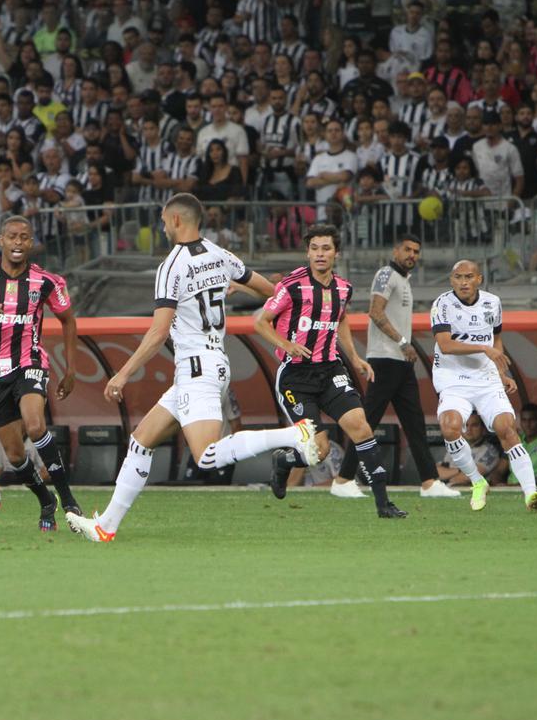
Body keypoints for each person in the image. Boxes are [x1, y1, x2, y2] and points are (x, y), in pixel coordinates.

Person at [66, 194, 320, 543]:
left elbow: (158, 332)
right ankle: (106, 525)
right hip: (210, 364)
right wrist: (234, 286)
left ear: (176, 220)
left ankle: (293, 435)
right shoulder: (221, 255)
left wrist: (122, 374)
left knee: (206, 456)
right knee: (140, 441)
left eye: (163, 221)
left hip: (196, 368)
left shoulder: (171, 266)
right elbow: (271, 291)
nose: (162, 227)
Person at [255, 223, 407, 519]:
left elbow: (341, 319)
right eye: (314, 249)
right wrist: (287, 345)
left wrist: (355, 357)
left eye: (326, 248)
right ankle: (284, 461)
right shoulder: (292, 285)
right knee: (319, 450)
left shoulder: (343, 288)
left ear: (336, 253)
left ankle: (383, 505)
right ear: (307, 253)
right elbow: (261, 322)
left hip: (330, 371)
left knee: (361, 427)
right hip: (296, 377)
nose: (320, 254)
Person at [0, 215, 81, 533]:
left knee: (35, 425)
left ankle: (68, 501)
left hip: (29, 362)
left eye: (24, 237)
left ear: (32, 242)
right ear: (1, 240)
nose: (18, 242)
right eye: (12, 236)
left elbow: (68, 319)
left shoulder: (46, 281)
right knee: (14, 454)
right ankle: (46, 501)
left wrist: (71, 369)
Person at [332, 235, 460, 499]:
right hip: (385, 359)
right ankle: (343, 479)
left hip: (399, 361)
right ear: (395, 251)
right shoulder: (386, 274)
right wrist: (403, 342)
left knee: (414, 423)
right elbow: (375, 312)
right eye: (407, 249)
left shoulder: (403, 279)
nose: (412, 255)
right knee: (368, 420)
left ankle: (429, 482)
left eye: (416, 251)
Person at [431, 260, 537, 512]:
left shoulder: (492, 302)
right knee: (450, 427)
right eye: (458, 277)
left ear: (479, 279)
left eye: (469, 277)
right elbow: (446, 345)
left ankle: (531, 494)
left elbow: (497, 339)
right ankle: (477, 481)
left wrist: (501, 373)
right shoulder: (442, 304)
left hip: (486, 378)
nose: (463, 282)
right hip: (453, 377)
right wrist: (484, 348)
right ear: (451, 280)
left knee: (507, 428)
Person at [436, 412, 503, 486]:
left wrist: (447, 476)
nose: (469, 429)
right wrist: (459, 470)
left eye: (474, 425)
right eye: (465, 425)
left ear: (483, 429)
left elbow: (468, 477)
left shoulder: (490, 451)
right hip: (447, 487)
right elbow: (435, 472)